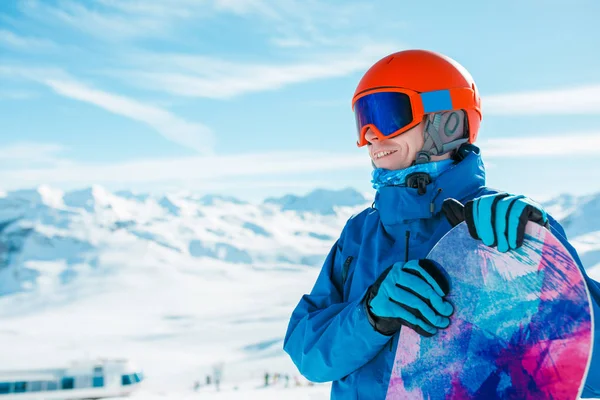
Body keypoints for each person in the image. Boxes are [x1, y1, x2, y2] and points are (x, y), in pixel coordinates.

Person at [283, 49, 600, 399]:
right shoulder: (360, 234)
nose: (371, 135)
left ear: (447, 121)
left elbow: (587, 367)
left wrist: (541, 267)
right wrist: (369, 316)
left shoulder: (504, 227)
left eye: (387, 114)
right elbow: (308, 355)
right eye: (364, 119)